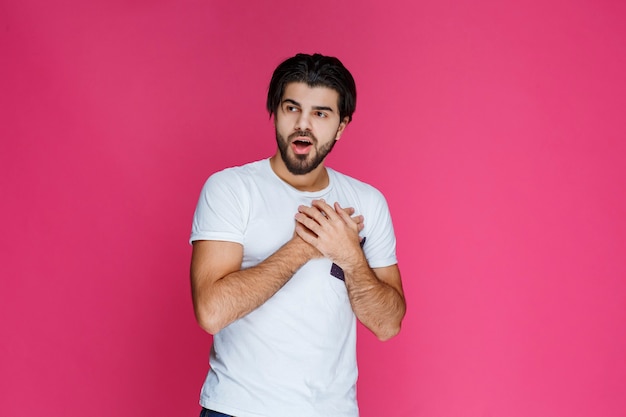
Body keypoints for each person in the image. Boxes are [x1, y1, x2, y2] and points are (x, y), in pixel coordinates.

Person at [189, 53, 406, 417]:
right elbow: (211, 311)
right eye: (292, 108)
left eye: (321, 113)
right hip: (238, 409)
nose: (303, 124)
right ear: (275, 111)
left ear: (341, 125)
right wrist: (304, 247)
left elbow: (388, 325)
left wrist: (350, 256)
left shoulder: (368, 202)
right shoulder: (231, 189)